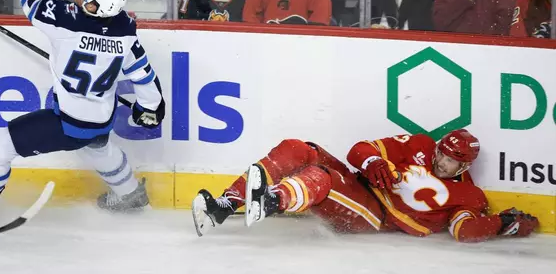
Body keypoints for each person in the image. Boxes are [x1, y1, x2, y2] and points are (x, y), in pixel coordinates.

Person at [0, 0, 166, 224]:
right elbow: (142, 73)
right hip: (102, 119)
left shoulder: (64, 20)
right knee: (97, 147)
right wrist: (149, 106)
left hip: (70, 124)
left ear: (94, 7)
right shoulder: (126, 28)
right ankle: (130, 194)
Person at [192, 129, 539, 242]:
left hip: (373, 217)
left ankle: (271, 201)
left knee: (322, 179)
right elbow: (360, 151)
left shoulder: (469, 195)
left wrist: (504, 224)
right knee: (299, 148)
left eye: (449, 160)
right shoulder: (419, 144)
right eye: (440, 152)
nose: (439, 160)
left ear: (464, 165)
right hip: (359, 187)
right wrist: (373, 162)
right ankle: (227, 203)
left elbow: (464, 231)